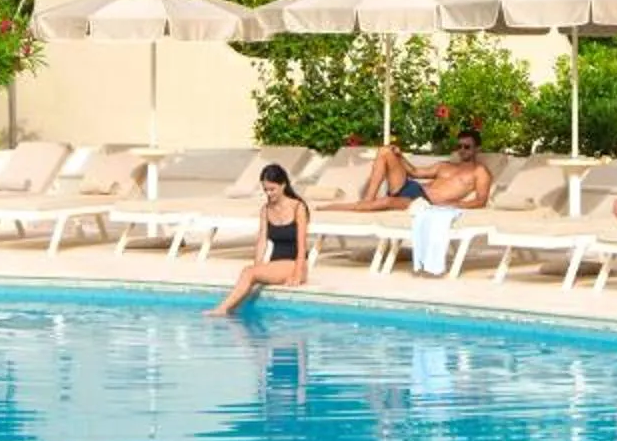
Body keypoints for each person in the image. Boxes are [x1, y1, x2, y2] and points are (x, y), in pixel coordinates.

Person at [209, 163, 312, 314]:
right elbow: (262, 241)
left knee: (248, 272)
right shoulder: (266, 209)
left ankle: (222, 310)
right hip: (276, 265)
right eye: (266, 190)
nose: (269, 194)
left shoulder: (298, 207)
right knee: (250, 271)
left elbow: (302, 244)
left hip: (295, 264)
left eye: (272, 189)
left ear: (283, 185)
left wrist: (297, 274)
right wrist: (257, 267)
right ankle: (226, 309)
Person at [333, 130, 494, 213]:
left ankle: (331, 208)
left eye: (467, 147)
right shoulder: (445, 165)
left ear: (477, 149)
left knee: (387, 202)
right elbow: (415, 172)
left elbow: (481, 201)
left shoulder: (480, 171)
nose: (462, 150)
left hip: (423, 202)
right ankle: (368, 198)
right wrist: (400, 156)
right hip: (412, 188)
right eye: (459, 146)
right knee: (385, 151)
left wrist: (454, 205)